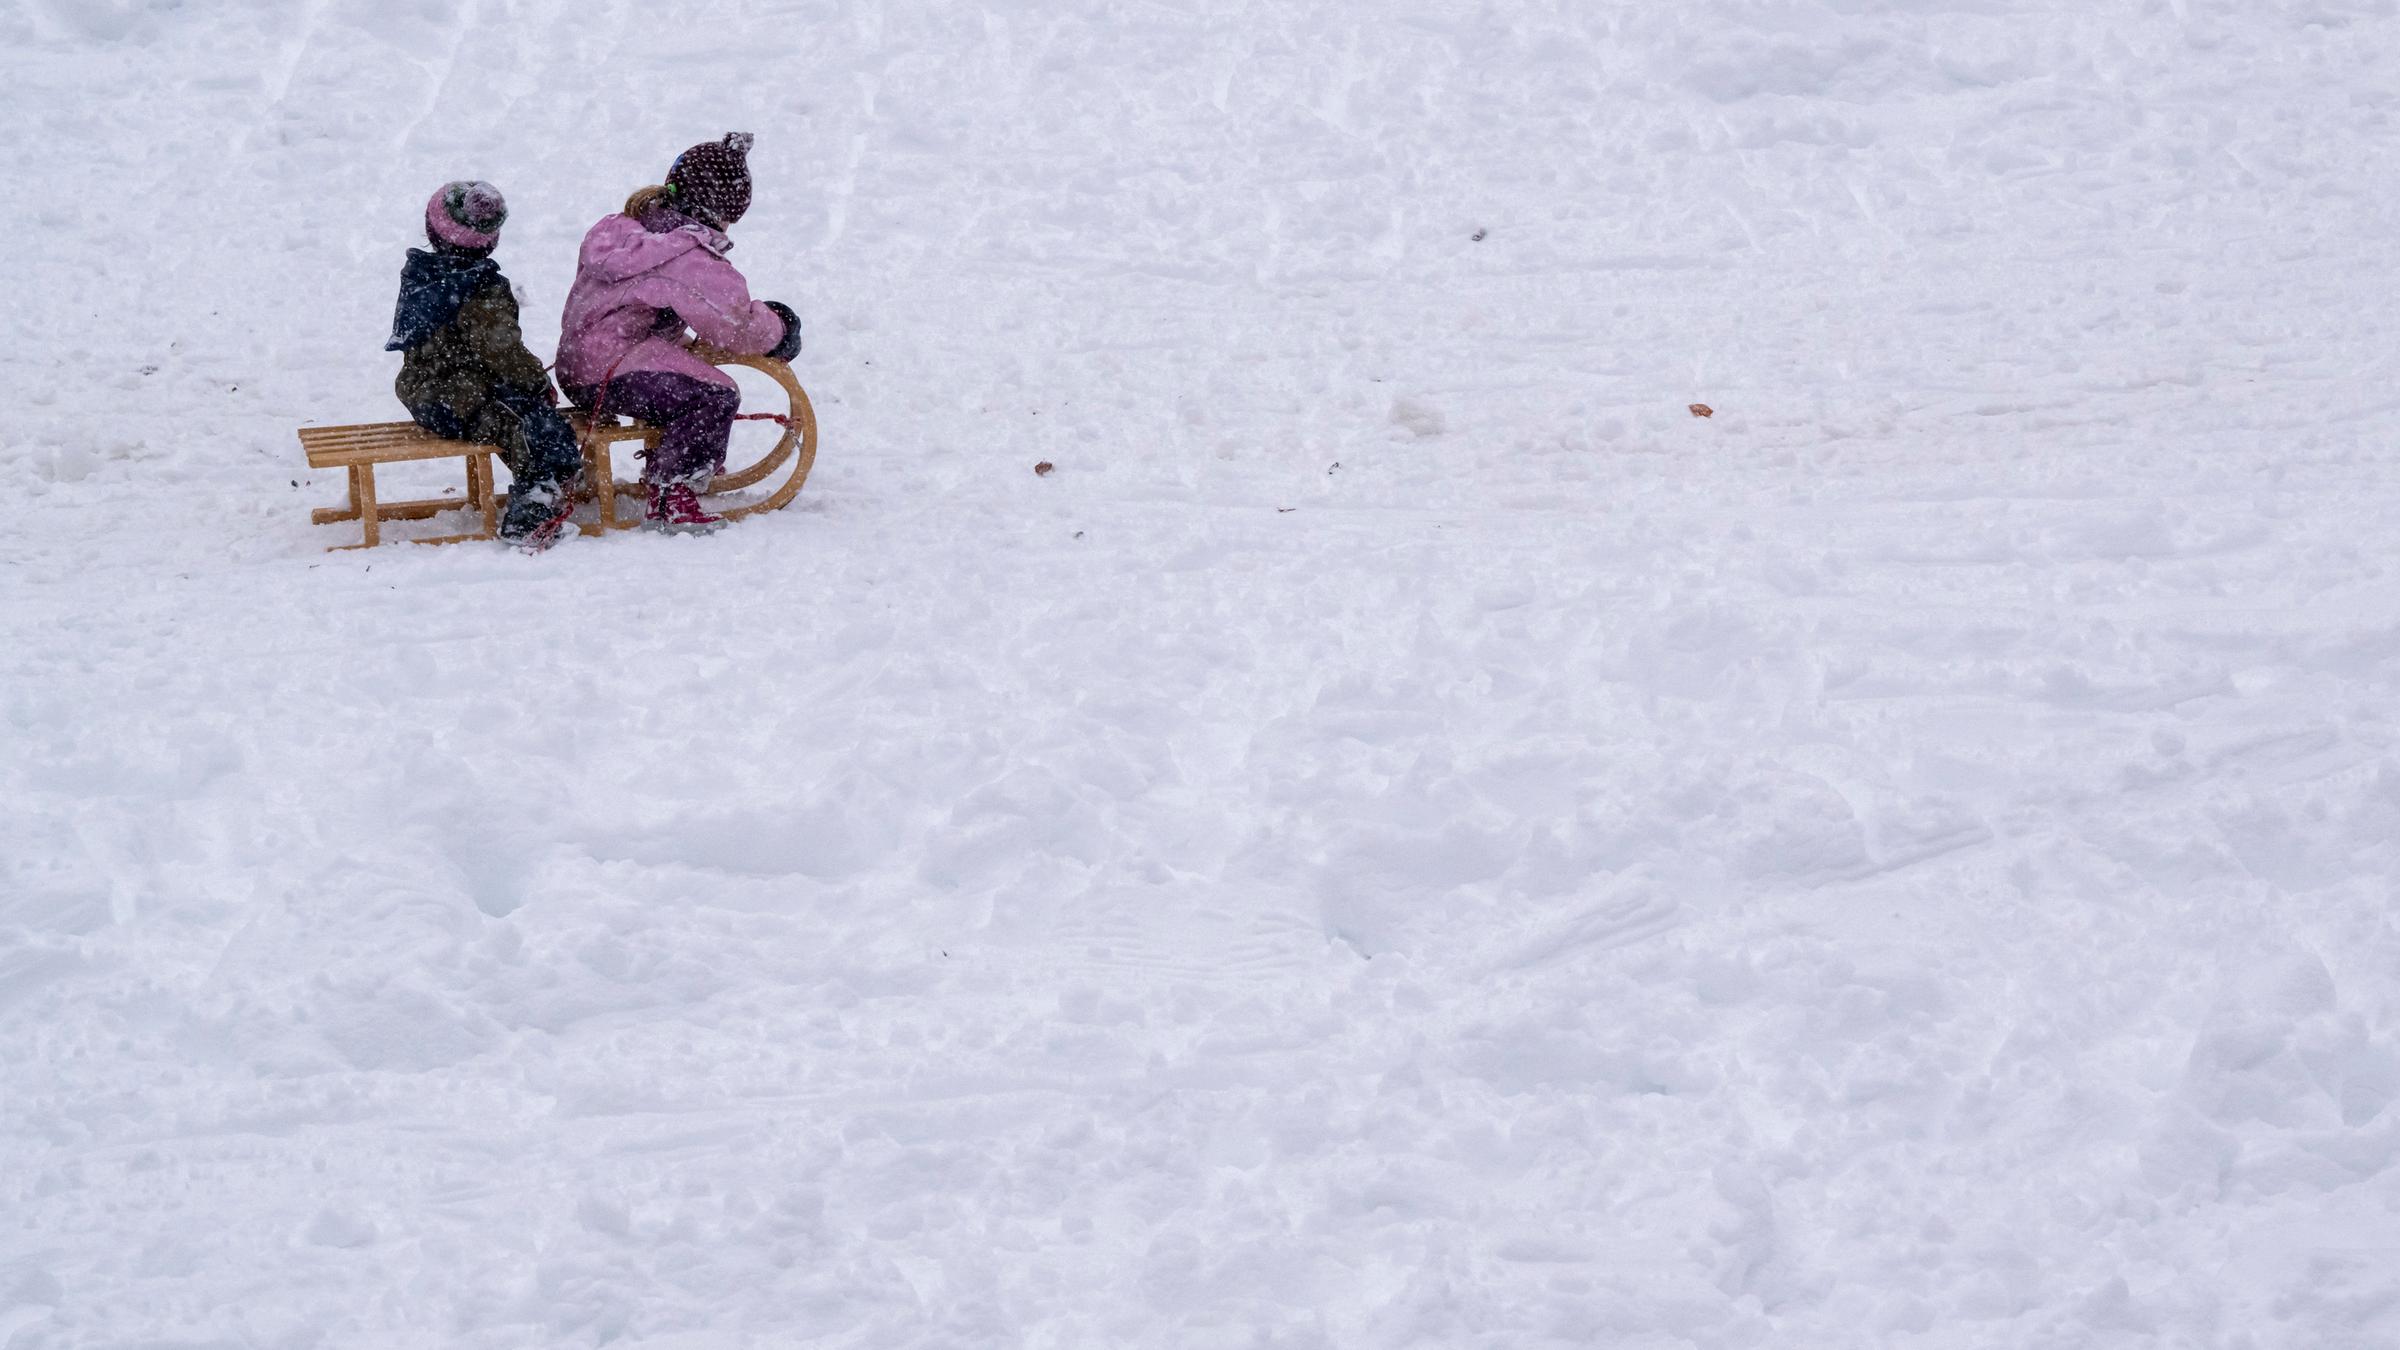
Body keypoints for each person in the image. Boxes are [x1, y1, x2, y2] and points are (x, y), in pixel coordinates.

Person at [554, 133, 803, 534]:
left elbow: (625, 308)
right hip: (611, 372)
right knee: (714, 394)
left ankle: (675, 458)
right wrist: (780, 329)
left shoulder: (622, 230)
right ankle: (673, 489)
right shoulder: (686, 255)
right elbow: (734, 324)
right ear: (725, 209)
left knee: (687, 382)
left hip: (577, 364)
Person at [387, 181, 584, 551]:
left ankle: (552, 481)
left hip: (424, 392)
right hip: (461, 396)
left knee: (518, 418)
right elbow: (500, 349)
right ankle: (532, 512)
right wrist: (537, 382)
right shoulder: (479, 286)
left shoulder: (423, 273)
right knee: (537, 427)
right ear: (489, 241)